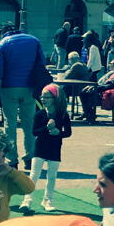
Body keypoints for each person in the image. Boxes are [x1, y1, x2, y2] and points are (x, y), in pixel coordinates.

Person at [0, 24, 48, 167]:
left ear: (3, 32)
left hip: (9, 87)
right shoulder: (33, 40)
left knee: (9, 124)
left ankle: (13, 160)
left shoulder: (2, 44)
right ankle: (30, 157)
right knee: (29, 123)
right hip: (29, 86)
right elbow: (43, 62)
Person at [20, 85, 72, 213]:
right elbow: (34, 132)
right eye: (42, 97)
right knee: (34, 174)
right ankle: (27, 200)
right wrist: (47, 128)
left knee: (52, 176)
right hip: (40, 148)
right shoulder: (39, 114)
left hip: (54, 148)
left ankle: (48, 199)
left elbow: (68, 132)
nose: (43, 99)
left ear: (55, 99)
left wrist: (58, 132)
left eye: (46, 97)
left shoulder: (63, 115)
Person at [61, 50, 98, 123]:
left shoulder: (76, 65)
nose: (69, 61)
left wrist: (67, 71)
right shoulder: (83, 65)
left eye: (69, 59)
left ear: (72, 59)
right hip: (80, 87)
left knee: (60, 90)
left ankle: (60, 110)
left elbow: (67, 77)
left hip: (75, 88)